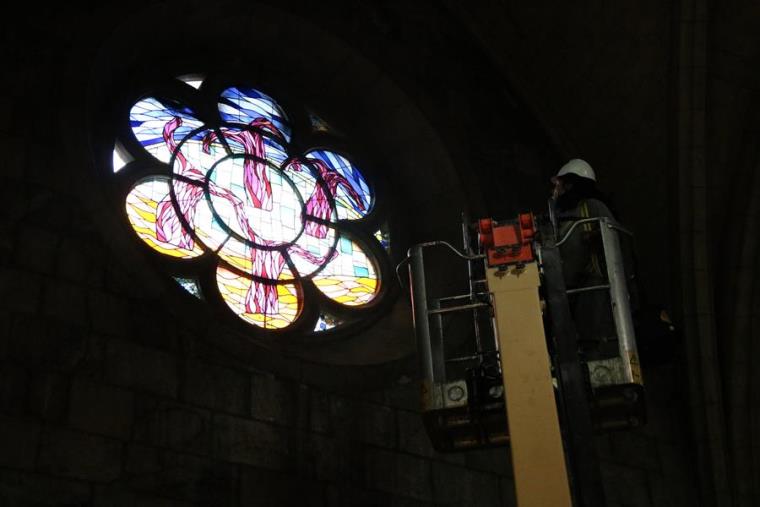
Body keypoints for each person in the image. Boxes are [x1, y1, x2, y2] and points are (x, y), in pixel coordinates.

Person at [551, 159, 619, 359]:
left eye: (558, 185)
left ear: (570, 185)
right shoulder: (562, 217)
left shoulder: (591, 209)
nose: (555, 191)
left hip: (594, 297)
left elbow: (575, 255)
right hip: (577, 298)